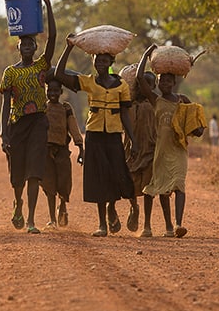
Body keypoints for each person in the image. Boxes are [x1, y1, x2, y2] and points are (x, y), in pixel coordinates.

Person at [54, 34, 135, 237]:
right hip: (95, 135)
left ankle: (112, 208)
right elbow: (60, 73)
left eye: (105, 61)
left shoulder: (122, 86)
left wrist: (132, 138)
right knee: (98, 178)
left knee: (116, 175)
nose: (101, 63)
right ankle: (102, 224)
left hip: (114, 135)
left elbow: (125, 112)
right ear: (93, 61)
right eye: (98, 60)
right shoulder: (88, 82)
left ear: (111, 63)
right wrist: (69, 48)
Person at [0, 0, 56, 234]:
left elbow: (53, 37)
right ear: (18, 46)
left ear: (36, 47)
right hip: (17, 124)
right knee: (17, 174)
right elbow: (5, 104)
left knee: (35, 170)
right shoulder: (10, 73)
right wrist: (4, 134)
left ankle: (31, 218)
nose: (27, 47)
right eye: (24, 44)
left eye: (31, 44)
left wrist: (48, 6)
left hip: (38, 123)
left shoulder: (42, 66)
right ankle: (18, 202)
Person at [139, 45, 206, 238]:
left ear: (174, 82)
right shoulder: (155, 100)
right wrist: (146, 54)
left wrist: (198, 130)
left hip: (179, 149)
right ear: (158, 82)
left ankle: (178, 224)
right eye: (162, 80)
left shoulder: (183, 100)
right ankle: (155, 226)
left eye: (169, 80)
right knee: (158, 187)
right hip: (160, 149)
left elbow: (196, 125)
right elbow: (139, 79)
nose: (165, 83)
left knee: (179, 185)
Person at [41, 76, 84, 230]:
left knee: (64, 183)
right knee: (49, 184)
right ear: (45, 91)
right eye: (49, 90)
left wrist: (80, 147)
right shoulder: (42, 107)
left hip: (62, 151)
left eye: (55, 90)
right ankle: (52, 219)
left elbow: (73, 127)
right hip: (45, 152)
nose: (52, 93)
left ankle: (63, 205)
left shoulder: (66, 108)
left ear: (61, 92)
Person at [124, 69, 157, 236]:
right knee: (130, 186)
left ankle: (147, 225)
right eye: (140, 85)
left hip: (151, 151)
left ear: (153, 86)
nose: (144, 89)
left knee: (148, 190)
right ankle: (133, 207)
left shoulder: (155, 104)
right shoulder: (129, 106)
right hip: (132, 151)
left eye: (148, 85)